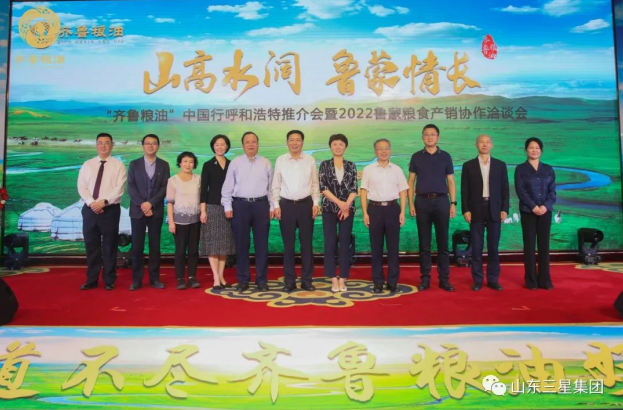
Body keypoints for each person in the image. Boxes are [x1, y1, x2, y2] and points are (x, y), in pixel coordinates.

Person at [222, 131, 274, 292]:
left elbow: (271, 188)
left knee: (261, 245)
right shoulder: (235, 163)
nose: (251, 144)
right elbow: (228, 187)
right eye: (247, 142)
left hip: (261, 206)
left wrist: (272, 206)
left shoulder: (266, 163)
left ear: (258, 144)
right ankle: (243, 280)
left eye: (254, 142)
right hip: (240, 206)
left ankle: (261, 280)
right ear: (243, 145)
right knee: (241, 245)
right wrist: (227, 206)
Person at [408, 124, 457, 292]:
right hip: (422, 202)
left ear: (438, 137)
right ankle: (425, 278)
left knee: (443, 243)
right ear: (422, 137)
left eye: (433, 134)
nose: (429, 137)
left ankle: (444, 279)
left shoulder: (446, 156)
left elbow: (451, 181)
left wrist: (453, 203)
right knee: (424, 243)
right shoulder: (416, 157)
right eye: (426, 134)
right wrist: (410, 203)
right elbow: (411, 181)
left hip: (442, 202)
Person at [77, 132, 127, 290]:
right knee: (91, 245)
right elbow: (82, 186)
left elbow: (119, 189)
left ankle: (109, 280)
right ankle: (91, 280)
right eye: (100, 142)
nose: (103, 145)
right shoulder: (87, 164)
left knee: (109, 245)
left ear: (112, 145)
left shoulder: (119, 165)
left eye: (106, 142)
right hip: (90, 210)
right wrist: (92, 203)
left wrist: (103, 202)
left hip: (110, 210)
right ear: (96, 145)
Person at [272, 130, 320, 292]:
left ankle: (307, 280)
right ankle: (289, 281)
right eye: (291, 140)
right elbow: (276, 184)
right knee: (288, 246)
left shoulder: (309, 160)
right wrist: (276, 205)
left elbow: (315, 184)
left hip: (306, 205)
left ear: (302, 142)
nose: (294, 143)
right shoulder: (281, 160)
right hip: (286, 206)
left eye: (298, 140)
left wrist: (315, 203)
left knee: (306, 244)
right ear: (287, 142)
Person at [460, 134, 509, 291]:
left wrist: (505, 209)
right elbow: (464, 190)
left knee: (493, 247)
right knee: (477, 247)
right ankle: (478, 280)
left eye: (487, 142)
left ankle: (493, 279)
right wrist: (466, 210)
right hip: (476, 209)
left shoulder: (500, 165)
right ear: (476, 145)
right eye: (481, 142)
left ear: (492, 145)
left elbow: (505, 189)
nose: (484, 144)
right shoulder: (468, 166)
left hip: (495, 208)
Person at [360, 139, 408, 293]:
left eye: (386, 148)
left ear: (390, 150)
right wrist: (365, 212)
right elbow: (363, 191)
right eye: (380, 149)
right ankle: (378, 282)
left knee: (393, 247)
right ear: (375, 152)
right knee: (376, 247)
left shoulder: (397, 170)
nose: (383, 151)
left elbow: (403, 191)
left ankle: (393, 281)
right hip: (374, 209)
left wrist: (402, 212)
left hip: (393, 209)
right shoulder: (368, 170)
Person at [126, 134, 170, 291]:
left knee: (154, 246)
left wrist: (151, 203)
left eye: (154, 143)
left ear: (158, 146)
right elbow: (131, 187)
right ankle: (136, 280)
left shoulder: (164, 165)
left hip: (155, 211)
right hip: (137, 211)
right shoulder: (134, 164)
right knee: (137, 246)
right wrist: (143, 205)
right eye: (147, 143)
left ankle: (154, 279)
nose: (150, 146)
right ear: (143, 146)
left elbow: (165, 187)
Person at [514, 137, 556, 290]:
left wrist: (545, 206)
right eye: (531, 147)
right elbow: (521, 191)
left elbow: (552, 192)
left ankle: (545, 281)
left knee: (544, 246)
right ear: (526, 150)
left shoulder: (548, 169)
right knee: (529, 246)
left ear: (541, 151)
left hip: (545, 212)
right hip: (528, 212)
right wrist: (533, 207)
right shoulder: (520, 169)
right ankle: (531, 281)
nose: (534, 150)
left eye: (537, 148)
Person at [319, 134, 358, 292]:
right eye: (335, 144)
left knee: (344, 242)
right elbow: (323, 188)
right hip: (329, 209)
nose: (338, 147)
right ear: (330, 146)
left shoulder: (351, 165)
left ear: (345, 147)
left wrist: (346, 206)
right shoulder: (324, 165)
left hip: (347, 210)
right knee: (330, 243)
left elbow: (354, 188)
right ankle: (333, 278)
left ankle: (343, 278)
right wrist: (340, 203)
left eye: (341, 144)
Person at [200, 135, 236, 290]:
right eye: (217, 144)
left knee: (224, 244)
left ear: (227, 146)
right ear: (213, 146)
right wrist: (203, 211)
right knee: (213, 244)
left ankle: (221, 276)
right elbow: (203, 189)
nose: (220, 147)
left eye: (223, 144)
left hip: (228, 208)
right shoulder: (208, 165)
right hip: (212, 207)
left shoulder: (232, 164)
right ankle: (215, 277)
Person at [166, 152, 201, 290]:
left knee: (193, 251)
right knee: (180, 251)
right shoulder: (173, 180)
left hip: (195, 221)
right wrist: (171, 222)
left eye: (191, 162)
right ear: (180, 163)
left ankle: (192, 277)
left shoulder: (198, 179)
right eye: (185, 161)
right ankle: (180, 278)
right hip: (179, 222)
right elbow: (169, 203)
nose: (188, 164)